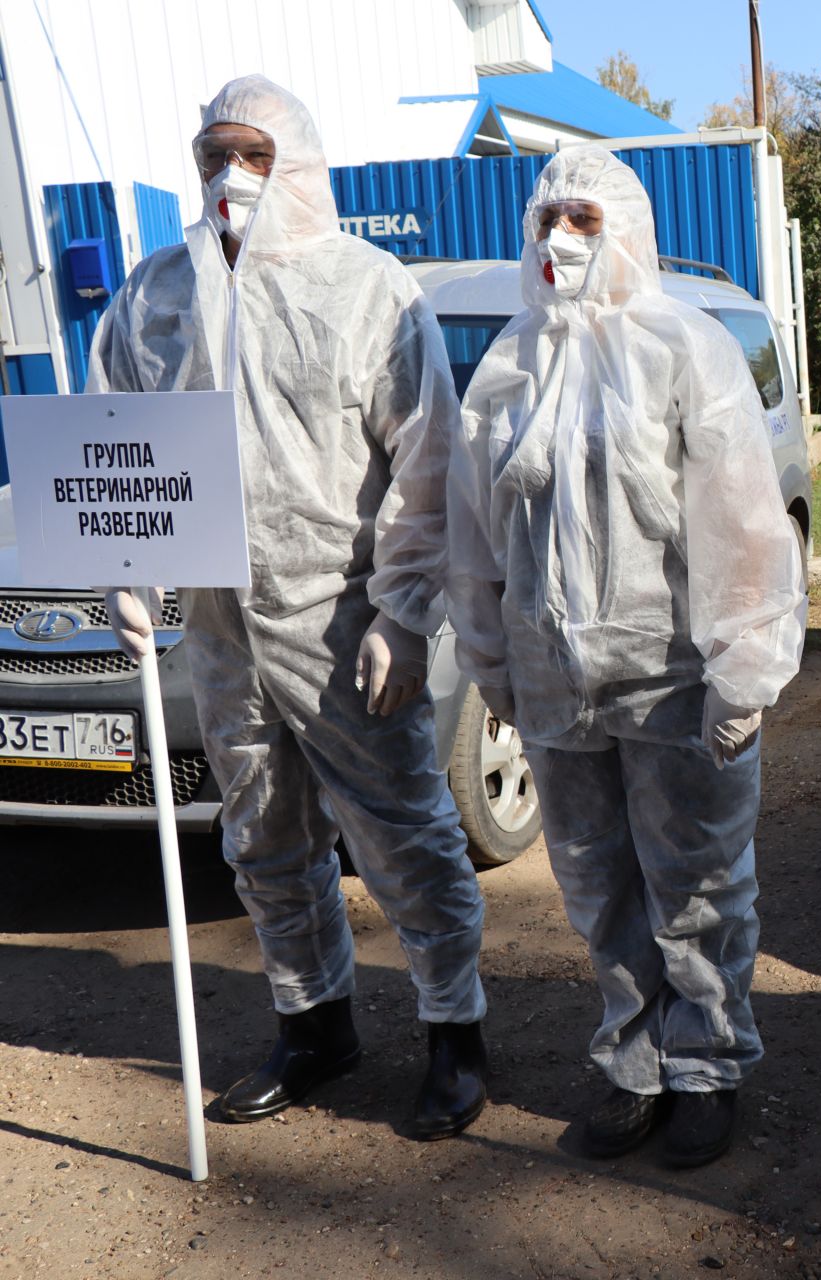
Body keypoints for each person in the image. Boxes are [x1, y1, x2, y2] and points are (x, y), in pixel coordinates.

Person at [88, 76, 488, 1139]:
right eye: (214, 151)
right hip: (220, 626)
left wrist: (406, 615)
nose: (232, 174)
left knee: (404, 832)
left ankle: (456, 1030)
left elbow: (428, 464)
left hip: (342, 619)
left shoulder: (368, 290)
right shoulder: (155, 294)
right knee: (262, 834)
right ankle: (313, 1022)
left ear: (297, 161)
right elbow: (110, 437)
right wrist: (122, 570)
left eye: (254, 153)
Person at [445, 146, 806, 1169]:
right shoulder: (507, 368)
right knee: (598, 881)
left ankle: (707, 1066)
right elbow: (477, 534)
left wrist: (745, 666)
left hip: (671, 674)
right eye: (549, 217)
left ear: (626, 231)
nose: (563, 238)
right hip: (553, 675)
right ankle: (637, 1059)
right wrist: (490, 660)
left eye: (585, 219)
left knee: (695, 880)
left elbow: (740, 523)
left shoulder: (685, 350)